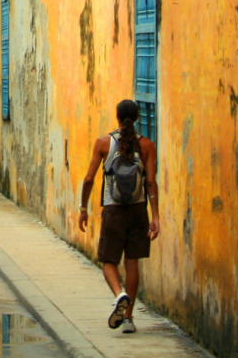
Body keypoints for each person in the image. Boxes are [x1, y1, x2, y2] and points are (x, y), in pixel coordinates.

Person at [78, 100, 160, 334]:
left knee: (108, 260)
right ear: (136, 118)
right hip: (138, 209)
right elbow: (151, 182)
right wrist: (155, 216)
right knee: (132, 262)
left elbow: (88, 179)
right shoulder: (147, 145)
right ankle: (129, 318)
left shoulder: (104, 143)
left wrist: (83, 209)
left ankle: (118, 294)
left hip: (113, 210)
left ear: (117, 117)